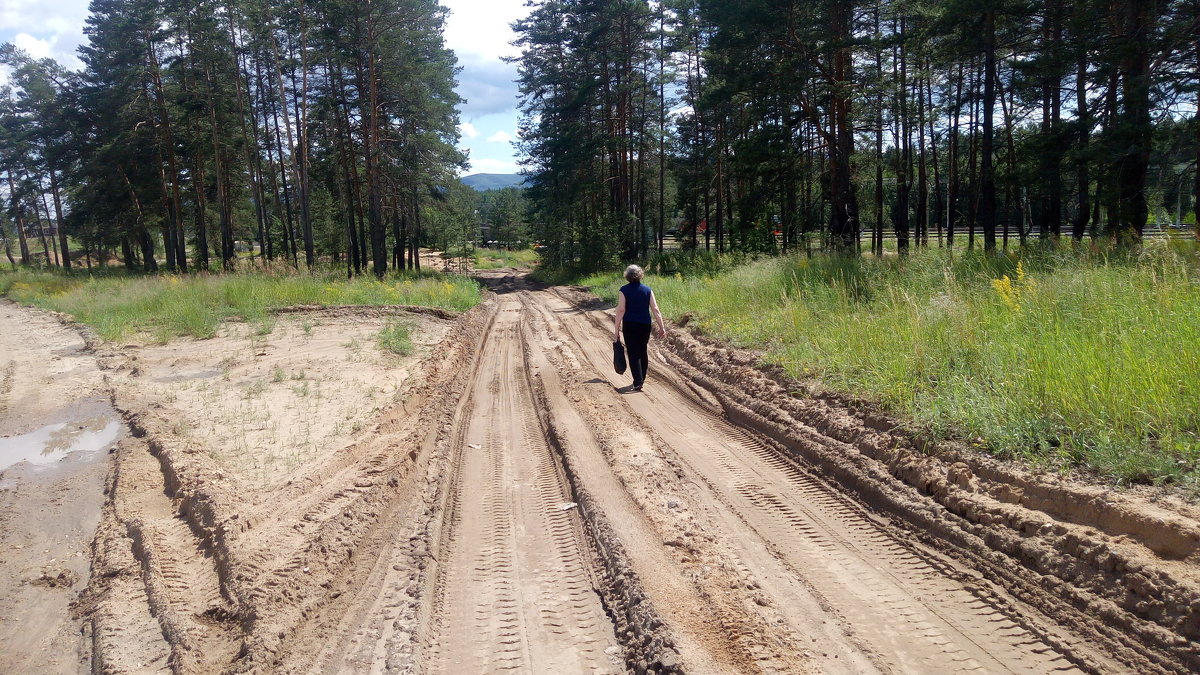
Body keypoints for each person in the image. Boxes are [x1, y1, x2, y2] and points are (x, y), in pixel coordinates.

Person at [613, 264, 666, 392]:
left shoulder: (623, 290)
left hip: (630, 324)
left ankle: (638, 381)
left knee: (633, 352)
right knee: (643, 350)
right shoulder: (648, 290)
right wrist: (662, 327)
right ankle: (641, 379)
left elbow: (621, 310)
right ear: (640, 275)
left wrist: (616, 329)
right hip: (645, 325)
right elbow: (655, 309)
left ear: (627, 276)